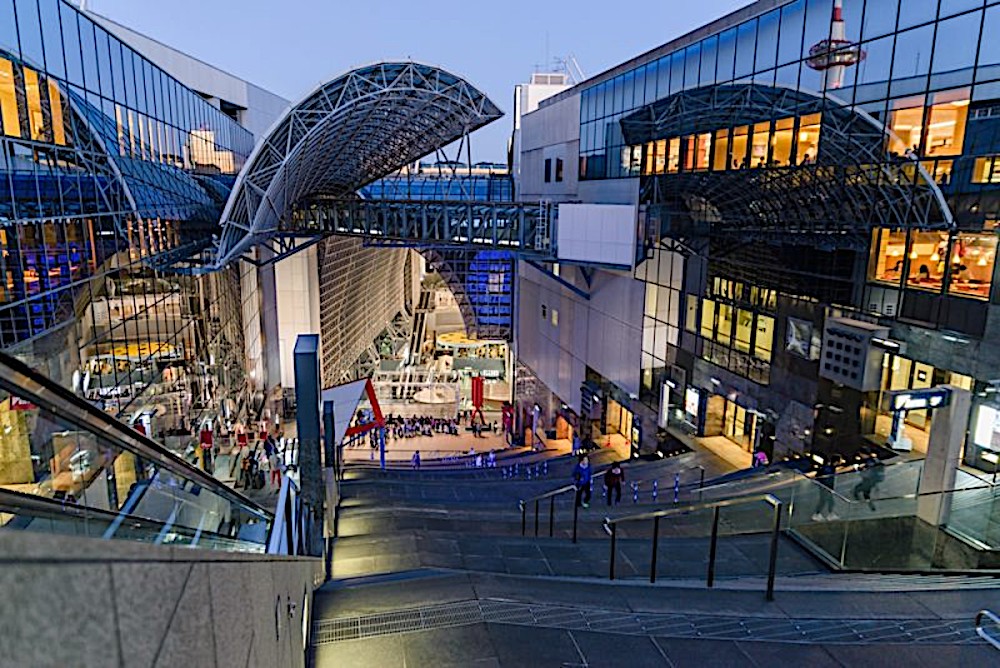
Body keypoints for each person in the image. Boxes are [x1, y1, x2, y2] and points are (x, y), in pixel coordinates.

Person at [812, 455, 840, 521]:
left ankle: (827, 514)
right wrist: (829, 487)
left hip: (826, 487)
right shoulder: (828, 469)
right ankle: (818, 514)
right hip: (826, 487)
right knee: (826, 501)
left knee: (827, 501)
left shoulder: (830, 468)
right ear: (836, 461)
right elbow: (826, 479)